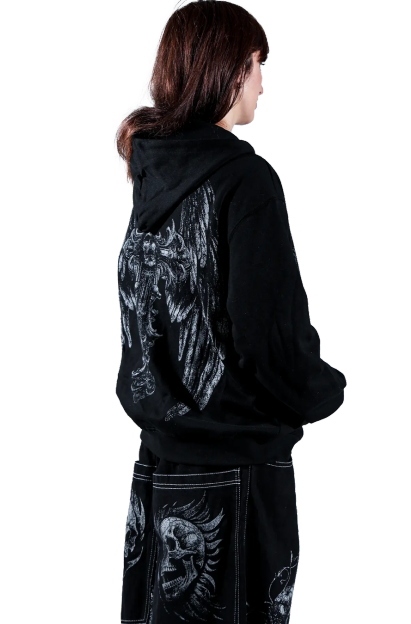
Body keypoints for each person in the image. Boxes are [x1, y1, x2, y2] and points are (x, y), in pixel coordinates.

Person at [110, 1, 348, 622]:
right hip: (237, 472)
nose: (263, 84)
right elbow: (268, 337)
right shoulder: (245, 178)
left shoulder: (152, 174)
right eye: (257, 66)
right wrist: (324, 391)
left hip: (159, 468)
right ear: (228, 71)